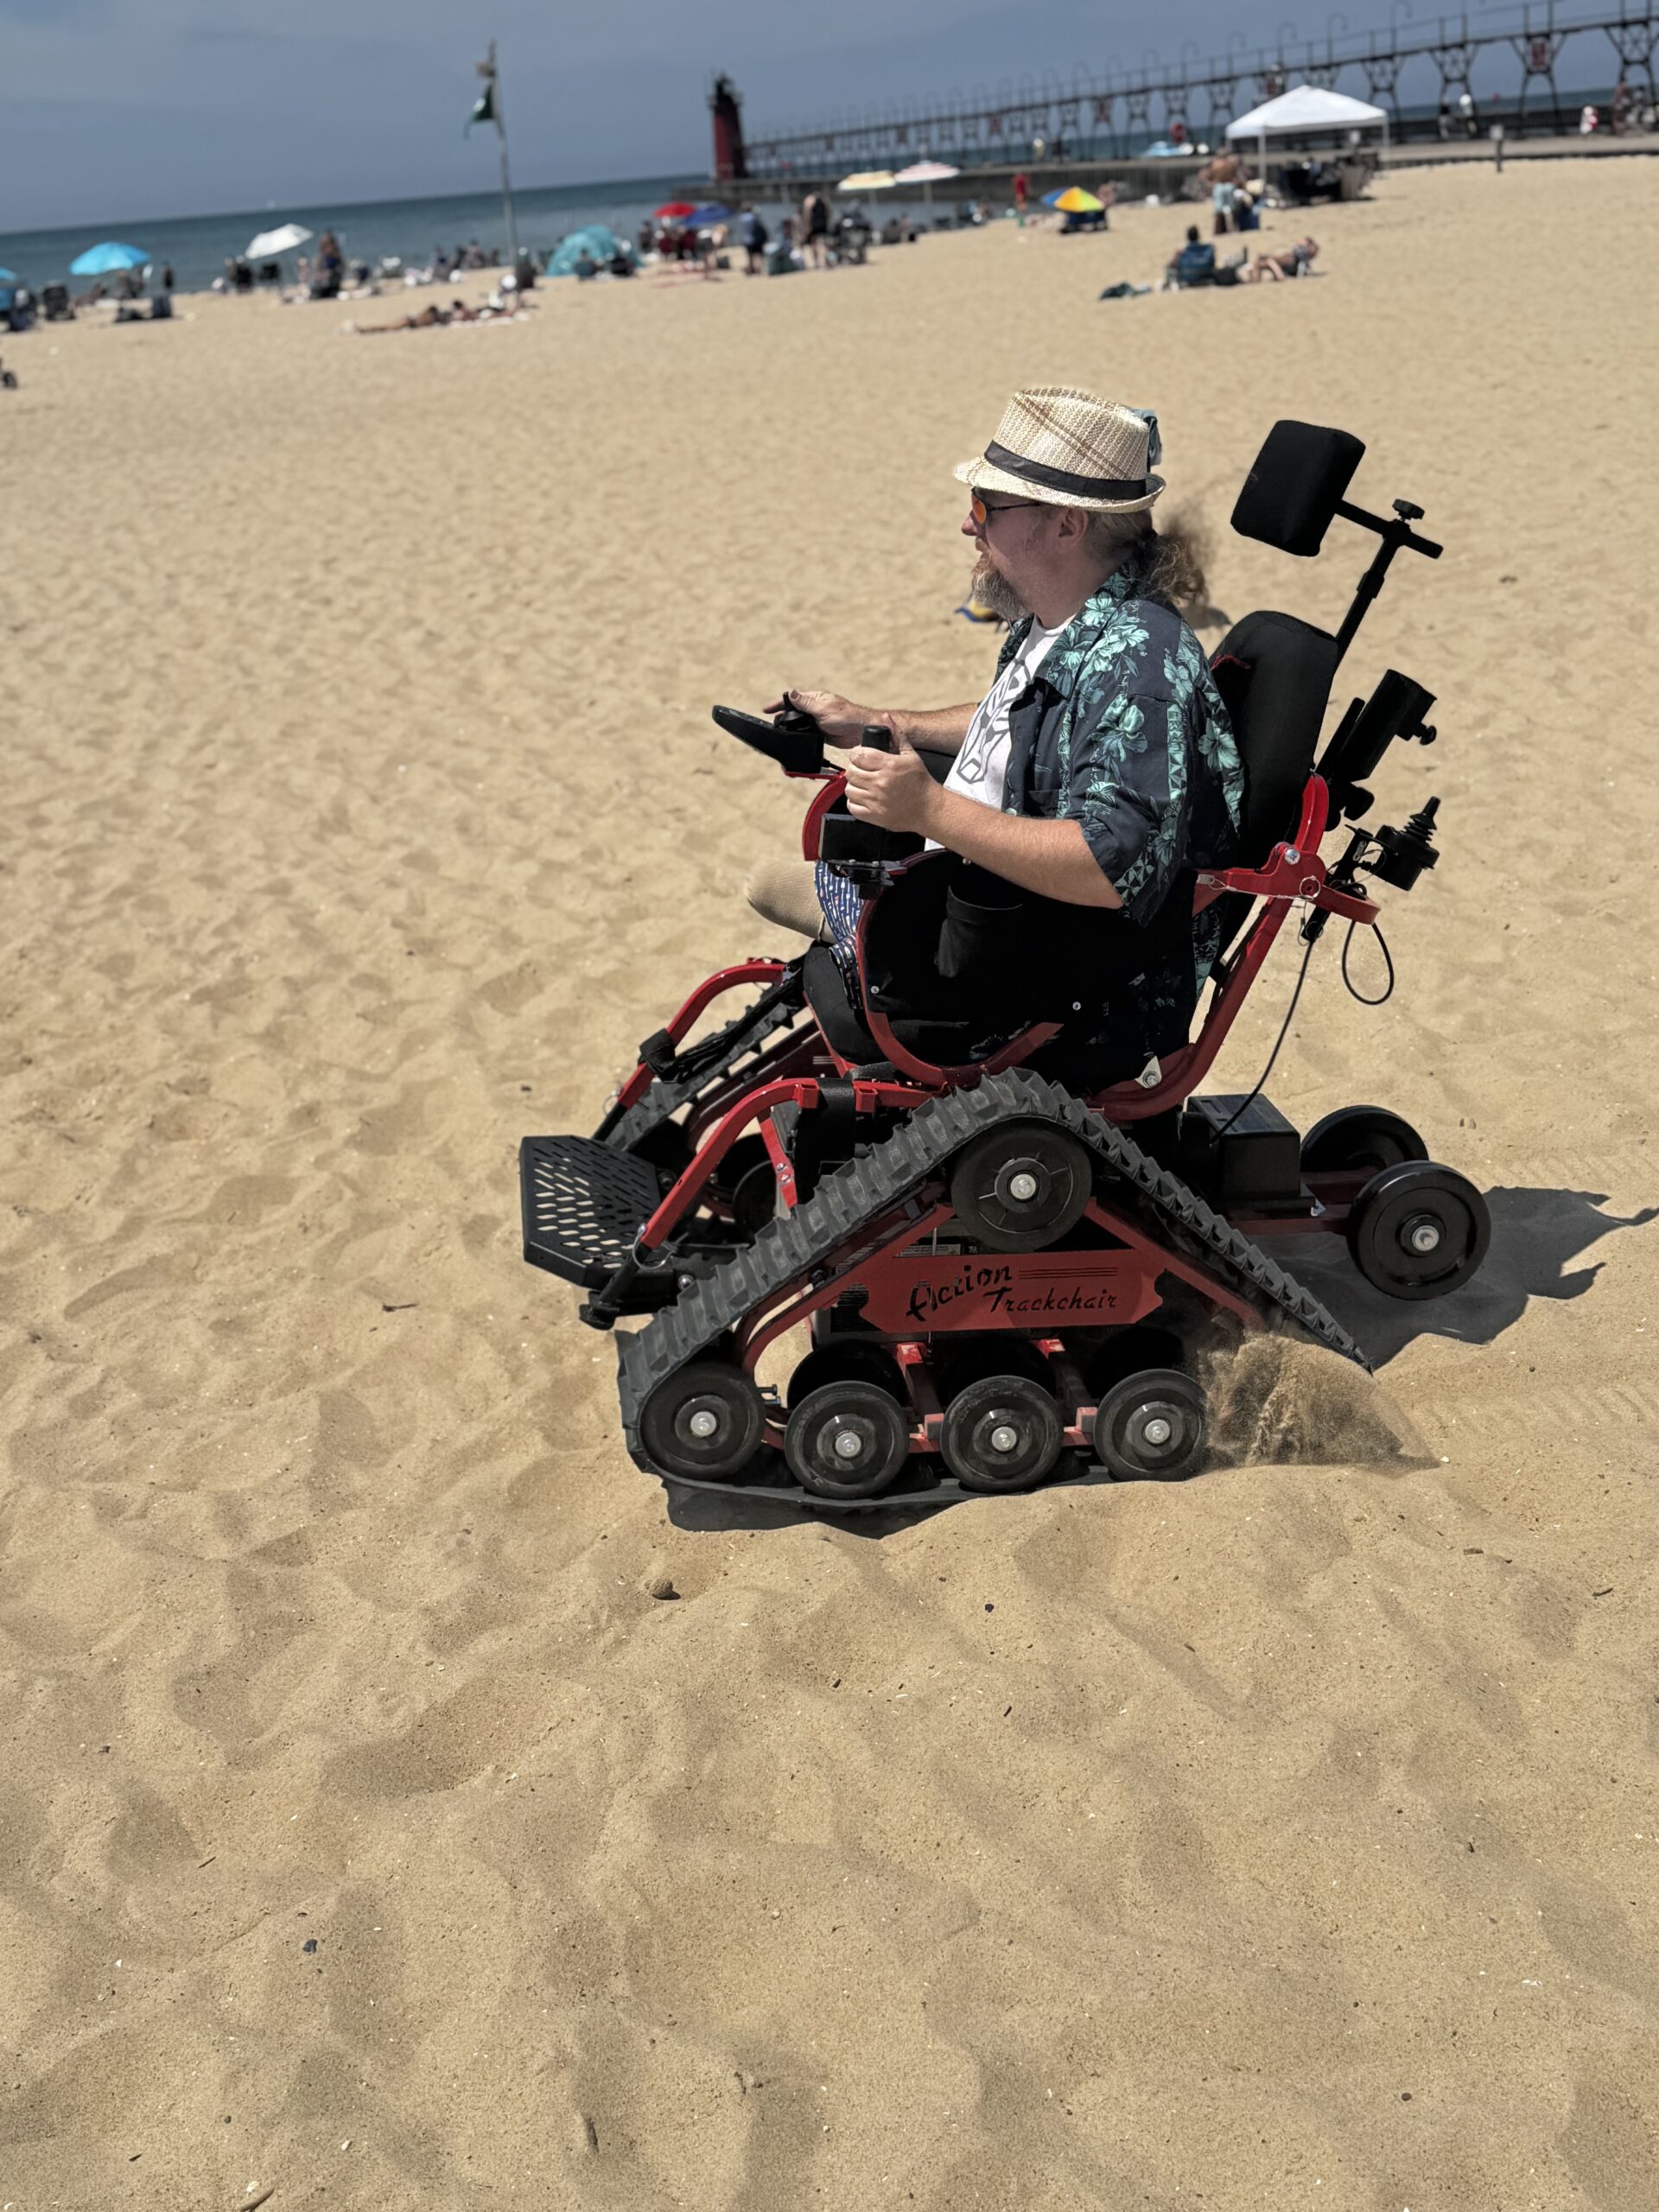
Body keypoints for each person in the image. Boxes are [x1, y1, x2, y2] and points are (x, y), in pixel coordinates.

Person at [747, 387, 1243, 1089]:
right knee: (777, 885)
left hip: (1048, 980)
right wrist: (878, 722)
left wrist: (928, 810)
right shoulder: (1059, 619)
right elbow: (1024, 717)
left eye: (986, 507)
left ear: (1067, 525)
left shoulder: (1139, 666)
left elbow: (1109, 866)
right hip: (983, 907)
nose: (966, 525)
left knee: (766, 884)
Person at [1160, 225, 1216, 289]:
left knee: (1169, 268)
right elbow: (1213, 264)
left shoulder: (1182, 251)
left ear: (1187, 237)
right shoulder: (1208, 248)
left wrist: (1176, 256)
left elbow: (1170, 265)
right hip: (1206, 274)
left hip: (1188, 277)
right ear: (1198, 236)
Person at [1243, 236, 1319, 282]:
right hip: (1283, 262)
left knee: (1261, 263)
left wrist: (1279, 275)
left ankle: (1254, 279)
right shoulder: (1301, 253)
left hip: (1280, 262)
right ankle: (1254, 277)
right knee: (1260, 262)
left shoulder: (1303, 251)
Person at [802, 189, 830, 269]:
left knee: (813, 243)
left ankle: (817, 262)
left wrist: (807, 226)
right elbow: (828, 212)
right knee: (824, 243)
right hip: (823, 223)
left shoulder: (809, 200)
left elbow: (807, 214)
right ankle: (824, 262)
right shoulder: (824, 200)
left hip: (813, 224)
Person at [737, 202, 768, 275]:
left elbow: (741, 230)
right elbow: (759, 228)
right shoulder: (754, 217)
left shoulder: (741, 218)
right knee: (758, 255)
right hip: (755, 239)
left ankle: (750, 269)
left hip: (746, 240)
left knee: (749, 256)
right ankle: (759, 269)